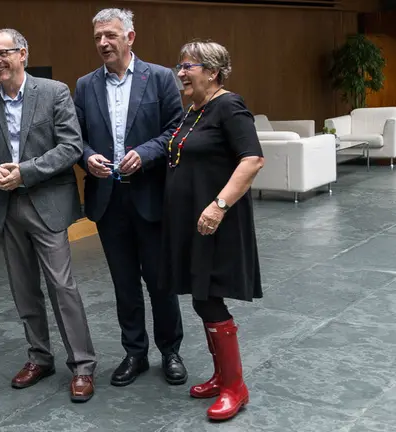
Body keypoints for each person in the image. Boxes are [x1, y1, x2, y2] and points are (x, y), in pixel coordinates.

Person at [0, 28, 97, 403]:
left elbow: (71, 146)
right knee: (24, 289)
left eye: (3, 53)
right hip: (7, 207)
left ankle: (83, 365)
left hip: (46, 204)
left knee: (62, 286)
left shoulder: (53, 92)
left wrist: (26, 171)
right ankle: (39, 357)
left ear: (23, 53)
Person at [73, 8, 187, 387]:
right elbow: (75, 138)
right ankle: (134, 353)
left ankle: (170, 351)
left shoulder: (160, 78)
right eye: (97, 37)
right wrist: (88, 157)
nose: (103, 43)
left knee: (160, 281)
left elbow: (176, 129)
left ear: (130, 37)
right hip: (109, 201)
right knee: (123, 282)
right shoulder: (85, 85)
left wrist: (149, 152)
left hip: (151, 197)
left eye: (110, 35)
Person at [162, 40, 265, 421]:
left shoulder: (229, 106)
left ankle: (236, 387)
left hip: (214, 223)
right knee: (200, 297)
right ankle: (221, 376)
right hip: (190, 224)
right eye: (180, 65)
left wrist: (219, 205)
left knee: (209, 299)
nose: (181, 72)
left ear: (213, 72)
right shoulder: (194, 111)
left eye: (189, 66)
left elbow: (252, 160)